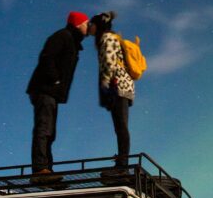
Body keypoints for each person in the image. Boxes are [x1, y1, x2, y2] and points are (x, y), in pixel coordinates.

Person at [26, 11, 89, 183]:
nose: (88, 26)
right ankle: (40, 169)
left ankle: (46, 169)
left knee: (49, 131)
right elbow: (47, 57)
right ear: (78, 24)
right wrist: (55, 79)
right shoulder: (63, 36)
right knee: (44, 128)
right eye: (85, 23)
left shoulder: (71, 39)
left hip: (51, 91)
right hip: (45, 89)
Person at [89, 11, 135, 169]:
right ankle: (122, 161)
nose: (90, 27)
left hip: (118, 86)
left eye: (92, 24)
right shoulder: (111, 37)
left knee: (121, 126)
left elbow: (109, 62)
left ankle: (122, 164)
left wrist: (105, 82)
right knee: (120, 126)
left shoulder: (107, 38)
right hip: (122, 86)